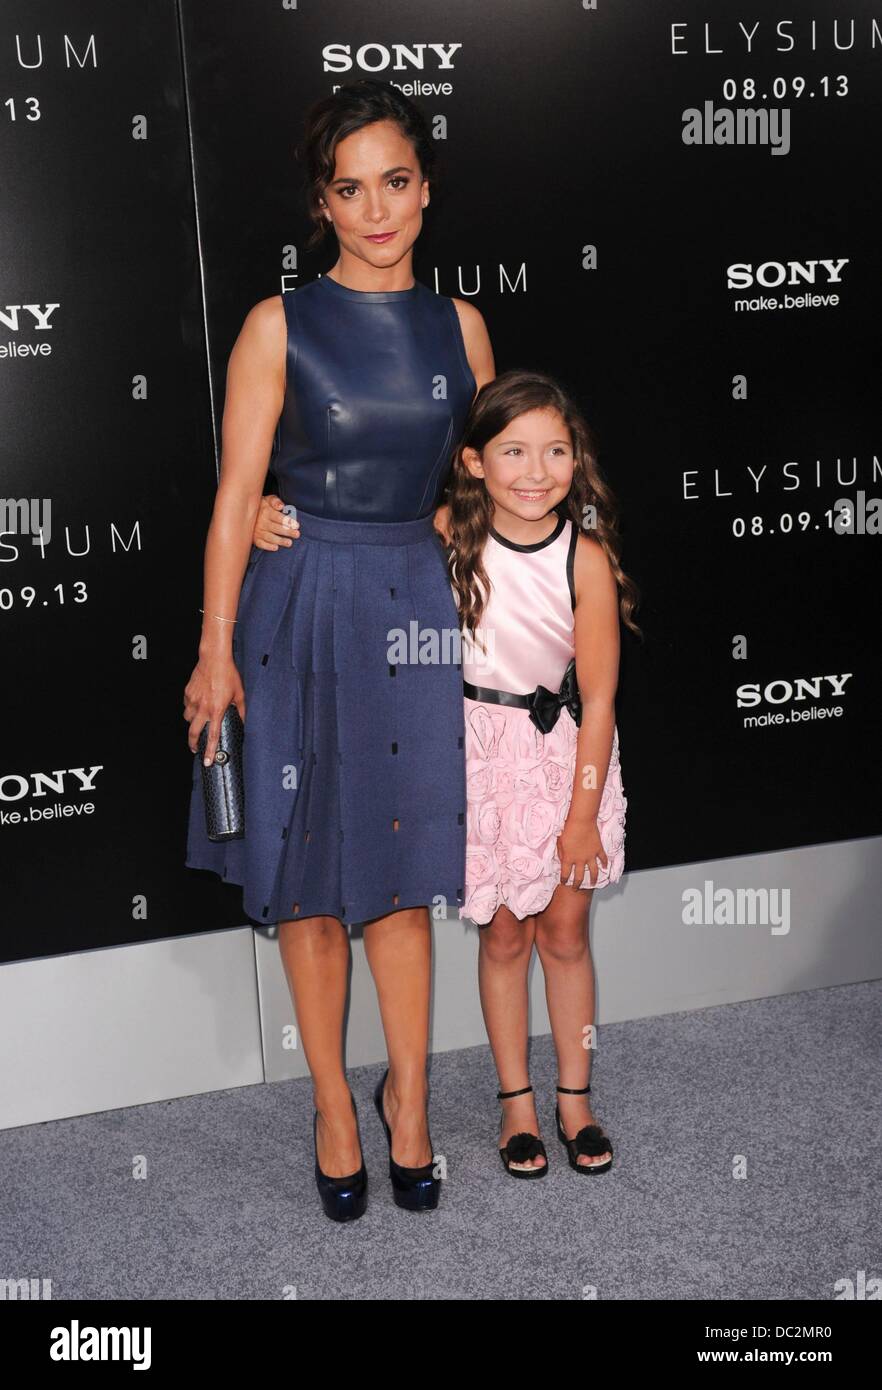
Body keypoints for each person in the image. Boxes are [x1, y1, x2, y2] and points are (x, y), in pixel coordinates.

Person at [183, 79, 494, 1221]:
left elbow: (477, 485)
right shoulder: (278, 325)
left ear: (426, 188)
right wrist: (215, 648)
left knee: (402, 885)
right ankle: (330, 1105)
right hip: (298, 607)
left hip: (412, 608)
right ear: (323, 201)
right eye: (351, 188)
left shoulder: (461, 328)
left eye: (397, 183)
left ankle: (407, 1104)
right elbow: (230, 498)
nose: (378, 211)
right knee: (311, 887)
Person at [253, 367, 641, 1181]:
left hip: (567, 763)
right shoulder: (443, 540)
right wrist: (264, 514)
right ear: (472, 463)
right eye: (513, 452)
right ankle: (518, 1109)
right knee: (503, 937)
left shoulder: (587, 558)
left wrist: (580, 814)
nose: (536, 472)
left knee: (565, 935)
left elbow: (599, 698)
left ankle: (575, 1099)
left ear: (578, 461)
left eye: (556, 452)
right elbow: (346, 537)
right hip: (475, 762)